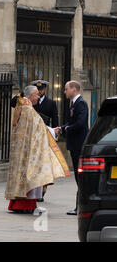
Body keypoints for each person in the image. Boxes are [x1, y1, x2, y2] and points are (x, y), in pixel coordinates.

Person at [5, 86, 70, 214]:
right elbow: (38, 128)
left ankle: (21, 204)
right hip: (29, 149)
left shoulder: (24, 107)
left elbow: (37, 126)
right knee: (31, 174)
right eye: (36, 94)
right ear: (29, 96)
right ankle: (26, 205)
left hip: (24, 148)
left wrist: (52, 130)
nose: (39, 96)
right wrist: (53, 131)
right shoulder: (28, 109)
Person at [54, 80, 89, 216]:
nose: (64, 91)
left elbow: (80, 123)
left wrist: (66, 128)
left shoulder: (81, 103)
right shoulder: (74, 104)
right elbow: (72, 122)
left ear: (74, 89)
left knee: (80, 177)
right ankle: (79, 206)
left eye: (66, 89)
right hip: (75, 145)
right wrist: (61, 128)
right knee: (78, 178)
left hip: (79, 145)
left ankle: (80, 207)